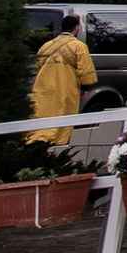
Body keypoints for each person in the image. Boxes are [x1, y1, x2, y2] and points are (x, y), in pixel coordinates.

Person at [27, 15, 99, 154]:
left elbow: (38, 65)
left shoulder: (47, 46)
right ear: (76, 28)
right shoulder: (79, 46)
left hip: (44, 88)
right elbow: (85, 71)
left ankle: (37, 141)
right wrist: (85, 87)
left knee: (42, 115)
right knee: (63, 116)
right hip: (66, 88)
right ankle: (56, 145)